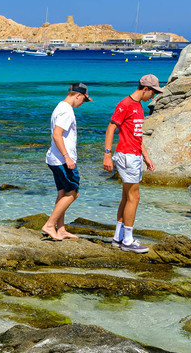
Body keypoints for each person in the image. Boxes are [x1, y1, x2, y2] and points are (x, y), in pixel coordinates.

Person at [103, 73, 160, 251]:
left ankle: (118, 237)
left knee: (127, 197)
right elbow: (111, 127)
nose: (154, 96)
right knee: (134, 197)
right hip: (127, 155)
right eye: (153, 93)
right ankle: (128, 241)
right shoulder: (126, 104)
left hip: (134, 154)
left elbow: (136, 135)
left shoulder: (138, 106)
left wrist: (146, 156)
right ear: (145, 89)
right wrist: (107, 154)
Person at [43, 81, 91, 240]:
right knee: (73, 192)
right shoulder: (66, 111)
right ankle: (50, 225)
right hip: (62, 160)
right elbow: (57, 135)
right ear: (78, 95)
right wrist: (67, 157)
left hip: (54, 158)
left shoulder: (60, 106)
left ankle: (61, 229)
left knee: (63, 192)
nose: (83, 103)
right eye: (84, 100)